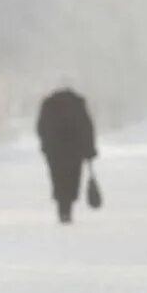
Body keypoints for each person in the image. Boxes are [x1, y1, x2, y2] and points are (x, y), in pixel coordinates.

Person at [36, 87, 97, 223]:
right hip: (75, 150)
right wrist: (89, 150)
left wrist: (45, 145)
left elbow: (41, 127)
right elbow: (87, 128)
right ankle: (68, 206)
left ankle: (62, 207)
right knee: (73, 177)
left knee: (58, 178)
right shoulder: (78, 104)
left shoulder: (49, 104)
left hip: (55, 151)